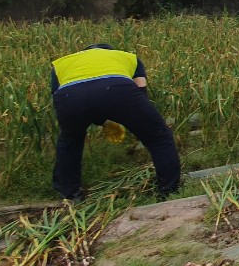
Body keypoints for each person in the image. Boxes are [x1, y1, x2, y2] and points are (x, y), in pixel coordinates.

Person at [50, 44, 180, 201]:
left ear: (83, 53)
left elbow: (66, 99)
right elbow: (140, 92)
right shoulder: (127, 57)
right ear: (110, 51)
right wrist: (136, 124)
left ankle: (71, 195)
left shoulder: (62, 63)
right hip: (117, 88)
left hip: (68, 97)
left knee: (70, 141)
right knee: (159, 137)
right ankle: (169, 190)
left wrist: (102, 121)